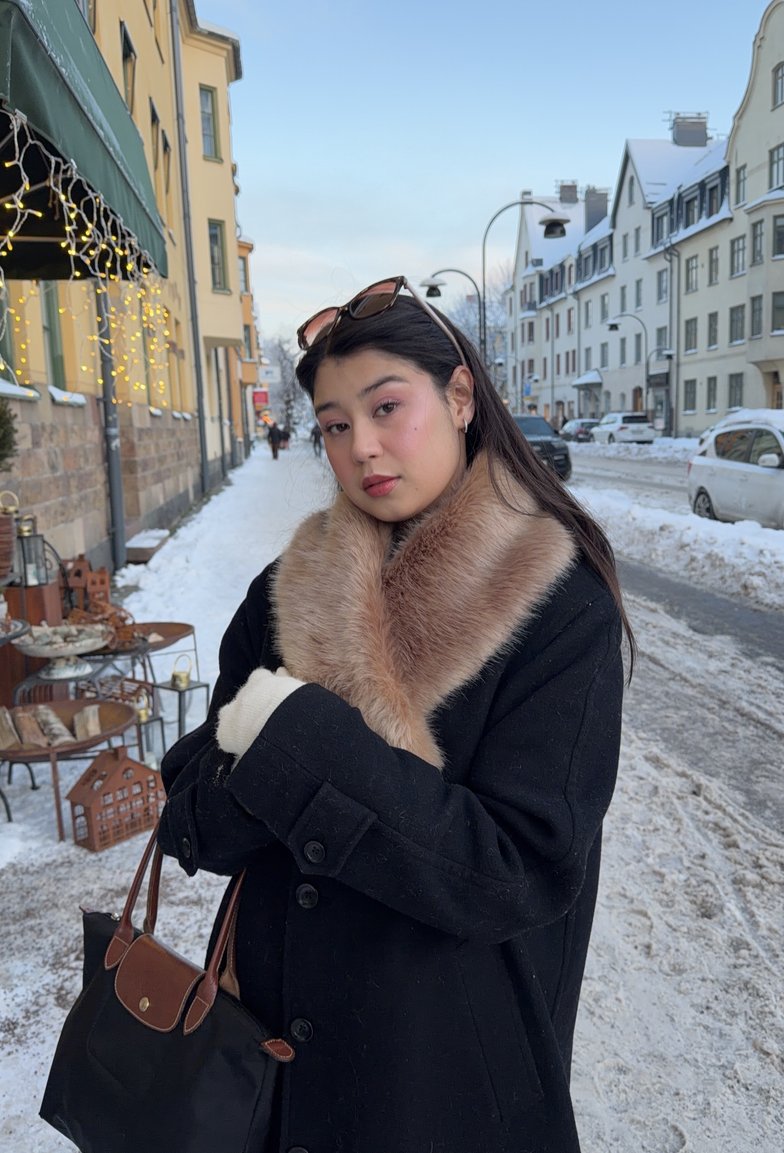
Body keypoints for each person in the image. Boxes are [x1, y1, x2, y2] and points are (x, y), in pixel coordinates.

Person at [157, 275, 632, 1153]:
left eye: (386, 406)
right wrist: (247, 773)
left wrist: (298, 743)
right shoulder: (283, 595)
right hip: (276, 1082)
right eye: (335, 425)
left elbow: (517, 870)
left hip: (444, 1090)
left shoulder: (562, 611)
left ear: (459, 397)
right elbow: (193, 822)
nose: (362, 447)